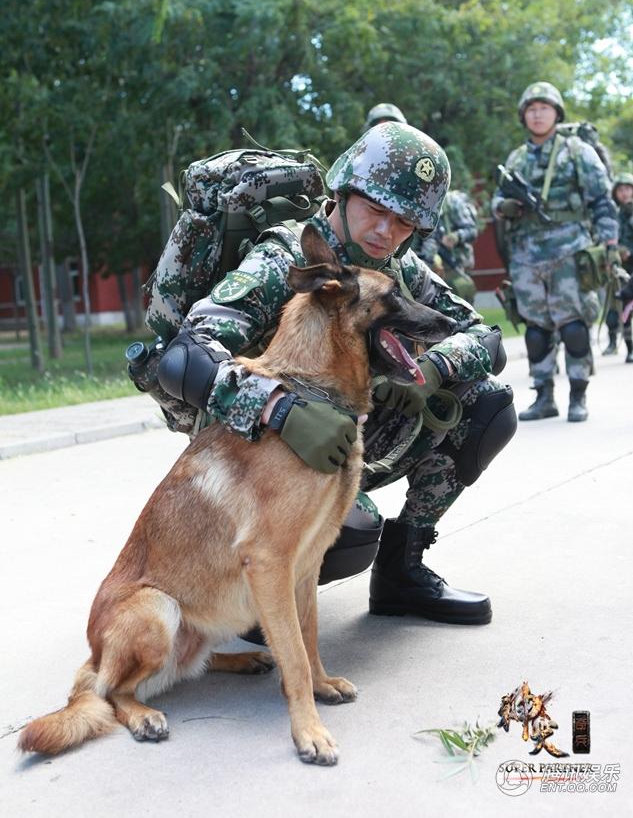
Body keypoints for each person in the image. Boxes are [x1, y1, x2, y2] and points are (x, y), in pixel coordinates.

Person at [157, 123, 517, 625]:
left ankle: (403, 572)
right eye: (375, 209)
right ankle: (255, 596)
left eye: (404, 221)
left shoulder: (395, 266)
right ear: (343, 192)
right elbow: (186, 355)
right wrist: (279, 409)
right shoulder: (280, 258)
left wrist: (431, 370)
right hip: (265, 451)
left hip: (347, 434)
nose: (385, 232)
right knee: (350, 532)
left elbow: (484, 335)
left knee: (487, 404)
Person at [492, 82, 618, 423]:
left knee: (574, 327)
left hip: (570, 252)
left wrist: (609, 244)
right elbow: (496, 203)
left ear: (556, 113)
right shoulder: (516, 157)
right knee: (536, 331)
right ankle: (543, 395)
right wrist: (507, 206)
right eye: (531, 108)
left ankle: (578, 394)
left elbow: (602, 201)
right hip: (527, 257)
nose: (537, 113)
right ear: (523, 115)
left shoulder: (577, 151)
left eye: (543, 107)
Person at [413, 188, 479, 302]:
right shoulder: (416, 203)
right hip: (425, 266)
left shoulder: (453, 202)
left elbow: (472, 230)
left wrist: (456, 237)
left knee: (459, 299)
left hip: (454, 265)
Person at [603, 171, 633, 361]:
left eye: (628, 188)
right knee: (618, 310)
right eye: (620, 189)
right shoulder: (612, 214)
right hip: (619, 269)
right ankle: (623, 346)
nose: (625, 193)